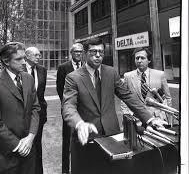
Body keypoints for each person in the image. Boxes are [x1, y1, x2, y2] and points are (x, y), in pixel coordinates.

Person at [62, 37, 166, 174]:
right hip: (86, 139)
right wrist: (79, 123)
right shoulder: (73, 77)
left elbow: (128, 96)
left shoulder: (111, 72)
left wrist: (150, 119)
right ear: (85, 53)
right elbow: (68, 106)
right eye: (93, 52)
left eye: (101, 51)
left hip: (112, 136)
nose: (98, 55)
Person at [0, 42, 40, 174]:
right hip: (6, 153)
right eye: (19, 59)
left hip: (29, 151)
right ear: (6, 61)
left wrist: (30, 137)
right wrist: (18, 145)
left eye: (24, 58)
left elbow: (35, 109)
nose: (24, 62)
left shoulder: (28, 78)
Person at [120, 47, 172, 122]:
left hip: (157, 119)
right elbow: (124, 99)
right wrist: (128, 115)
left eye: (142, 58)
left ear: (149, 60)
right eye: (137, 58)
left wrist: (165, 117)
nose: (139, 61)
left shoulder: (159, 75)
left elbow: (167, 98)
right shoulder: (128, 76)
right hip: (137, 119)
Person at [56, 43, 83, 174]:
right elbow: (60, 89)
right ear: (71, 53)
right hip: (69, 109)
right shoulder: (63, 67)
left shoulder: (86, 67)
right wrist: (68, 106)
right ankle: (65, 170)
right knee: (67, 139)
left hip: (85, 109)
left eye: (80, 51)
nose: (78, 53)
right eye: (76, 51)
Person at [24, 47, 47, 174]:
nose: (39, 57)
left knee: (37, 144)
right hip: (23, 115)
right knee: (26, 145)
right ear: (27, 56)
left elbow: (41, 94)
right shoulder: (19, 70)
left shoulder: (42, 70)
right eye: (36, 55)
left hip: (39, 114)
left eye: (40, 55)